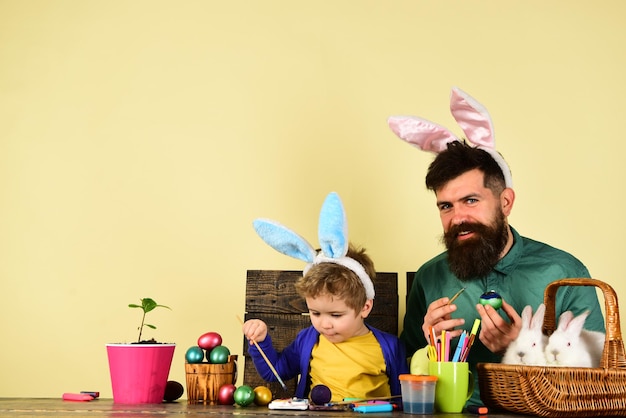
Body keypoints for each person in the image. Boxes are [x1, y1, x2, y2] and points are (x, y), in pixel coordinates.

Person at [388, 87, 605, 407]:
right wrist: (430, 346)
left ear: (505, 202)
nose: (458, 217)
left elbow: (596, 382)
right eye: (445, 206)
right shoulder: (430, 277)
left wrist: (520, 349)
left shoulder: (564, 273)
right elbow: (406, 372)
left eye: (471, 201)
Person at [244, 192, 409, 402]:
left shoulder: (389, 347)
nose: (324, 324)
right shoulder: (308, 340)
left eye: (336, 315)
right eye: (315, 313)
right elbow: (273, 372)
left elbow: (404, 400)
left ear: (365, 307)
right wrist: (260, 341)